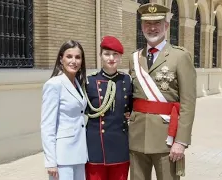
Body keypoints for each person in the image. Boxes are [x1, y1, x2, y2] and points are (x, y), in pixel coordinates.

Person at [128, 3, 197, 180]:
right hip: (137, 137)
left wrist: (181, 141)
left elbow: (188, 103)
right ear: (142, 26)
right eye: (147, 24)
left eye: (157, 23)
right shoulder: (135, 58)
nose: (152, 28)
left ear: (166, 26)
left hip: (167, 138)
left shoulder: (180, 56)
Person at [83, 35, 132, 180]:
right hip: (95, 145)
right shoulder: (89, 81)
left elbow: (130, 107)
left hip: (120, 144)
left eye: (115, 54)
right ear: (100, 56)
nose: (111, 58)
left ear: (120, 57)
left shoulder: (127, 80)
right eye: (107, 54)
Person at [41, 40, 88, 180]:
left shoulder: (78, 84)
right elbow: (47, 125)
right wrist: (50, 161)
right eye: (69, 56)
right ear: (61, 59)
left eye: (78, 57)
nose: (74, 61)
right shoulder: (54, 84)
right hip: (62, 156)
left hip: (79, 153)